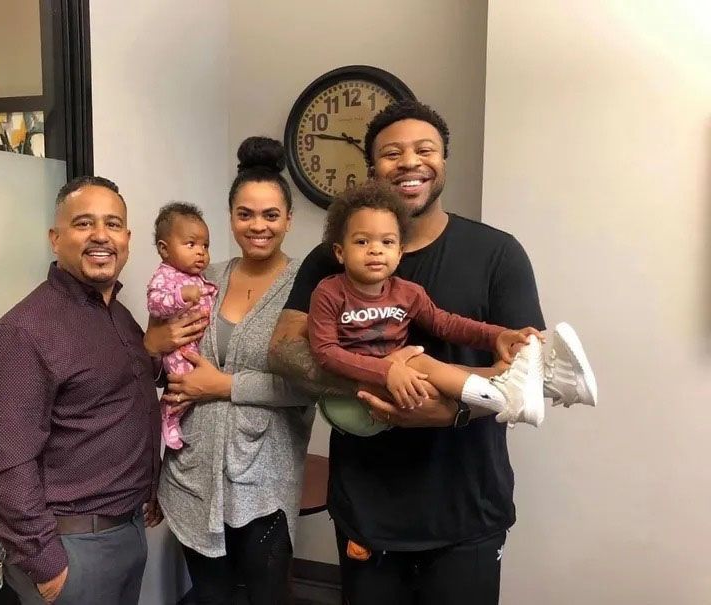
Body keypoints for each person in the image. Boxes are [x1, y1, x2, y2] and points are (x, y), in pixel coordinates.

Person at [268, 100, 596, 604]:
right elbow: (286, 350)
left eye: (426, 149)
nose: (410, 162)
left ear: (444, 160)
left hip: (467, 511)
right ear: (372, 168)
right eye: (391, 153)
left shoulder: (497, 253)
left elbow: (516, 368)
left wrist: (441, 412)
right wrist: (386, 379)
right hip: (367, 507)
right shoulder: (331, 259)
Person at [0, 176, 164, 605]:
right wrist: (47, 565)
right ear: (55, 238)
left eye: (113, 224)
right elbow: (6, 465)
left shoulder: (119, 316)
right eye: (84, 223)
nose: (101, 235)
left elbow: (114, 402)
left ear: (128, 239)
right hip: (72, 549)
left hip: (128, 531)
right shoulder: (23, 334)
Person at [153, 137, 313, 605]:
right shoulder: (203, 278)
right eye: (245, 214)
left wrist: (223, 385)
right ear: (231, 218)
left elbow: (310, 387)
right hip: (192, 475)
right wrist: (159, 354)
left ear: (288, 219)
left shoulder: (309, 286)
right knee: (210, 597)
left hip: (264, 478)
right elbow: (163, 348)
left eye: (269, 215)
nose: (257, 226)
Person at [309, 180, 548, 427]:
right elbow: (325, 352)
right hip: (354, 397)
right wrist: (386, 371)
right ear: (340, 252)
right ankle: (514, 392)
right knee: (419, 362)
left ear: (399, 253)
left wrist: (497, 335)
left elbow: (446, 324)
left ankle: (521, 386)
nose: (375, 250)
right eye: (362, 242)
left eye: (387, 242)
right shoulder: (329, 293)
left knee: (425, 366)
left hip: (403, 382)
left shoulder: (407, 293)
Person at [147, 202, 218, 449]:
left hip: (196, 342)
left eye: (205, 246)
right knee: (183, 383)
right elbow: (155, 304)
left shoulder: (197, 277)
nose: (201, 252)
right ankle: (168, 415)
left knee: (197, 379)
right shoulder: (165, 275)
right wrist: (181, 296)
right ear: (164, 249)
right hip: (178, 346)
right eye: (191, 244)